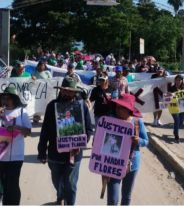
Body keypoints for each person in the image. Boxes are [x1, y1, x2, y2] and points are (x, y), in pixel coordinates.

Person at [37, 77, 93, 205]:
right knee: (57, 180)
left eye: (70, 91)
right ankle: (60, 195)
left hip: (74, 154)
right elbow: (45, 130)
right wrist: (41, 152)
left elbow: (89, 129)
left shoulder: (82, 106)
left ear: (75, 92)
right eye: (65, 90)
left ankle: (70, 203)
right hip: (54, 153)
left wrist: (81, 143)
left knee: (71, 184)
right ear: (61, 90)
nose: (67, 93)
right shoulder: (52, 106)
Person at [106, 93, 149, 205]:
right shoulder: (110, 120)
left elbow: (146, 141)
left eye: (122, 107)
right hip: (113, 164)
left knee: (126, 196)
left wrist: (138, 140)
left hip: (132, 164)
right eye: (117, 106)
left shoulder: (136, 122)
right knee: (112, 199)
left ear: (129, 109)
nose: (118, 109)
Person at [0, 86, 32, 205]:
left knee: (12, 184)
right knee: (2, 183)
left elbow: (28, 132)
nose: (5, 100)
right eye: (4, 97)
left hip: (15, 156)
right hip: (1, 156)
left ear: (14, 99)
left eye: (8, 97)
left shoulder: (22, 112)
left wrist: (16, 128)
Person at [168, 75, 184, 143]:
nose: (178, 81)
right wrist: (169, 94)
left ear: (182, 81)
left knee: (181, 122)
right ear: (175, 80)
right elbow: (167, 97)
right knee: (177, 121)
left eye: (180, 80)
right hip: (174, 107)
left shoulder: (183, 88)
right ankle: (177, 137)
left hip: (182, 105)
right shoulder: (171, 88)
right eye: (177, 80)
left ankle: (175, 131)